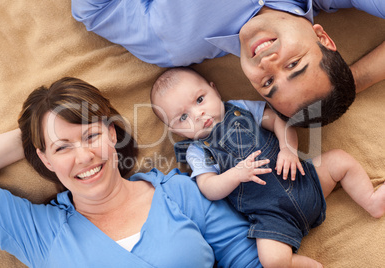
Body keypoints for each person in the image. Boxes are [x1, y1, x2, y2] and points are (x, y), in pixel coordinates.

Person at [0, 77, 262, 267]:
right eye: (62, 149)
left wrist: (54, 137)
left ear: (112, 134)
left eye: (91, 136)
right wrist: (35, 131)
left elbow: (249, 261)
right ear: (45, 160)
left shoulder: (180, 193)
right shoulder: (39, 232)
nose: (83, 156)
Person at [150, 67, 385, 268]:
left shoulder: (240, 108)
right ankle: (296, 263)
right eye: (183, 117)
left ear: (215, 90)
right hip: (271, 217)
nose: (198, 114)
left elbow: (279, 121)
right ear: (175, 131)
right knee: (271, 261)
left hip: (305, 180)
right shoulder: (197, 151)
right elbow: (209, 187)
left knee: (339, 161)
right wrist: (235, 174)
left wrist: (288, 149)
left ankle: (371, 200)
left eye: (200, 99)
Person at [71, 0, 384, 127]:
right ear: (324, 39)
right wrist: (352, 81)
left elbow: (93, 10)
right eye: (293, 65)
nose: (267, 64)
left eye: (268, 84)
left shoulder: (172, 43)